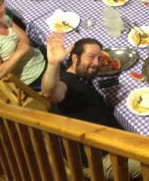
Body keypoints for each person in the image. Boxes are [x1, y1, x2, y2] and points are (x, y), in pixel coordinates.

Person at [41, 34, 141, 179]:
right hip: (95, 160)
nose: (96, 63)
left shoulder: (82, 77)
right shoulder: (66, 83)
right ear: (75, 58)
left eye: (99, 58)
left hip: (103, 138)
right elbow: (50, 92)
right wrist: (53, 64)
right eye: (91, 57)